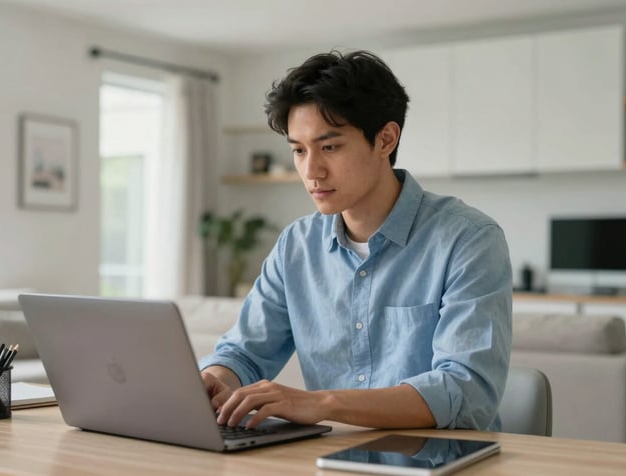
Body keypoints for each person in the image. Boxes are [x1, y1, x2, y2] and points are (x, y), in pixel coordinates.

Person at [199, 50, 512, 431]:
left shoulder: (469, 240)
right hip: (331, 458)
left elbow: (465, 392)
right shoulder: (296, 245)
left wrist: (322, 403)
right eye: (299, 150)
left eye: (329, 147)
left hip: (441, 461)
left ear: (385, 139)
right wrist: (216, 378)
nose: (311, 171)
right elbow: (244, 353)